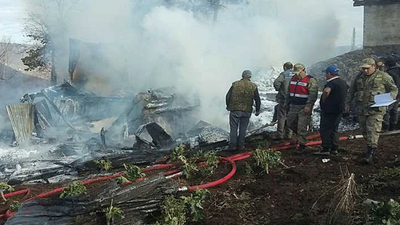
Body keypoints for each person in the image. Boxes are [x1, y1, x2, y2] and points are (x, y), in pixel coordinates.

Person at [345, 58, 398, 164]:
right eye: (363, 68)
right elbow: (352, 91)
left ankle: (371, 152)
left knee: (372, 129)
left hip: (376, 109)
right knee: (364, 130)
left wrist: (390, 98)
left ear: (374, 67)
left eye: (367, 68)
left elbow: (394, 89)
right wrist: (347, 103)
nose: (365, 71)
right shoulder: (358, 77)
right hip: (362, 109)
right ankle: (370, 146)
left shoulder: (383, 76)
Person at [314, 65, 348, 155]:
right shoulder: (343, 82)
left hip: (329, 110)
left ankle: (325, 148)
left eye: (326, 74)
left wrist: (324, 100)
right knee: (334, 128)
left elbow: (326, 91)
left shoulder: (331, 83)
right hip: (339, 109)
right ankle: (334, 148)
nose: (325, 76)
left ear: (329, 74)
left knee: (325, 129)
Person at [285, 63, 318, 152]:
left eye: (298, 72)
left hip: (304, 106)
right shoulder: (293, 79)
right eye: (295, 73)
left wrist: (309, 105)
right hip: (293, 105)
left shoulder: (310, 80)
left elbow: (313, 94)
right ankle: (300, 136)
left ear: (303, 71)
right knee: (289, 123)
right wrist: (286, 103)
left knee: (302, 126)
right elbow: (289, 92)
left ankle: (302, 145)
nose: (297, 74)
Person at [226, 70, 261, 150]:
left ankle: (232, 145)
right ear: (250, 77)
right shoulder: (253, 86)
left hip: (235, 110)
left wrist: (228, 106)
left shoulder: (235, 84)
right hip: (247, 110)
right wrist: (257, 110)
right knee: (243, 128)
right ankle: (241, 145)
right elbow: (257, 99)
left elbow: (228, 96)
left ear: (242, 76)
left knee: (233, 128)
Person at [273, 62, 294, 140]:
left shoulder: (284, 74)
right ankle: (289, 135)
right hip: (293, 99)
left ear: (285, 67)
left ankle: (280, 134)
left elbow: (276, 83)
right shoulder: (296, 74)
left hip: (284, 98)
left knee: (282, 116)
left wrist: (279, 89)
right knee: (290, 116)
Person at [383, 59, 400, 131]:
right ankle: (394, 126)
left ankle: (386, 127)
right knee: (394, 111)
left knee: (386, 110)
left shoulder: (389, 74)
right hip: (398, 94)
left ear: (387, 66)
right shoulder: (398, 71)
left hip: (390, 94)